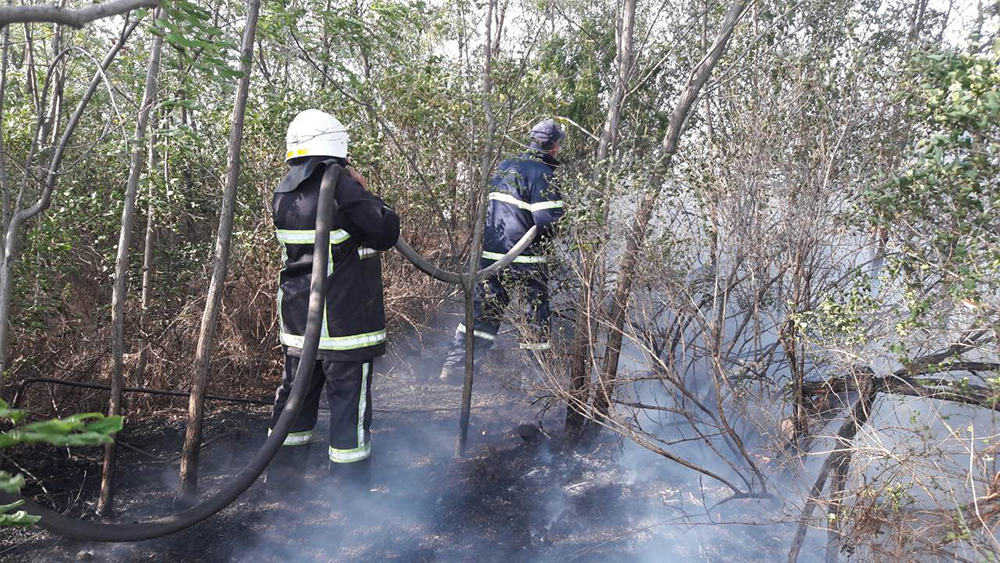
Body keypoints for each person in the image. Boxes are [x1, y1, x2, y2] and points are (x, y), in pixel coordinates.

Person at [265, 109, 399, 499]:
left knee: (295, 400)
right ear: (337, 144)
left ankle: (283, 484)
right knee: (347, 408)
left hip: (299, 321)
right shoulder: (340, 185)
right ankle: (350, 495)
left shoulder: (285, 191)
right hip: (343, 322)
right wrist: (365, 190)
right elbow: (385, 230)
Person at [439, 119, 566, 383]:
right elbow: (547, 220)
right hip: (527, 259)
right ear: (553, 146)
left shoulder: (505, 166)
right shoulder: (542, 172)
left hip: (493, 256)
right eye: (558, 146)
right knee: (534, 316)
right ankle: (535, 380)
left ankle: (456, 367)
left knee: (484, 312)